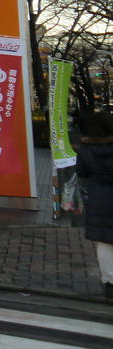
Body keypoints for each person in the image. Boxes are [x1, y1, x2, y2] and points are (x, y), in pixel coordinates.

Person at [75, 111, 113, 300]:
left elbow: (81, 171)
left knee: (104, 242)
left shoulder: (85, 149)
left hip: (99, 198)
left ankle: (109, 281)